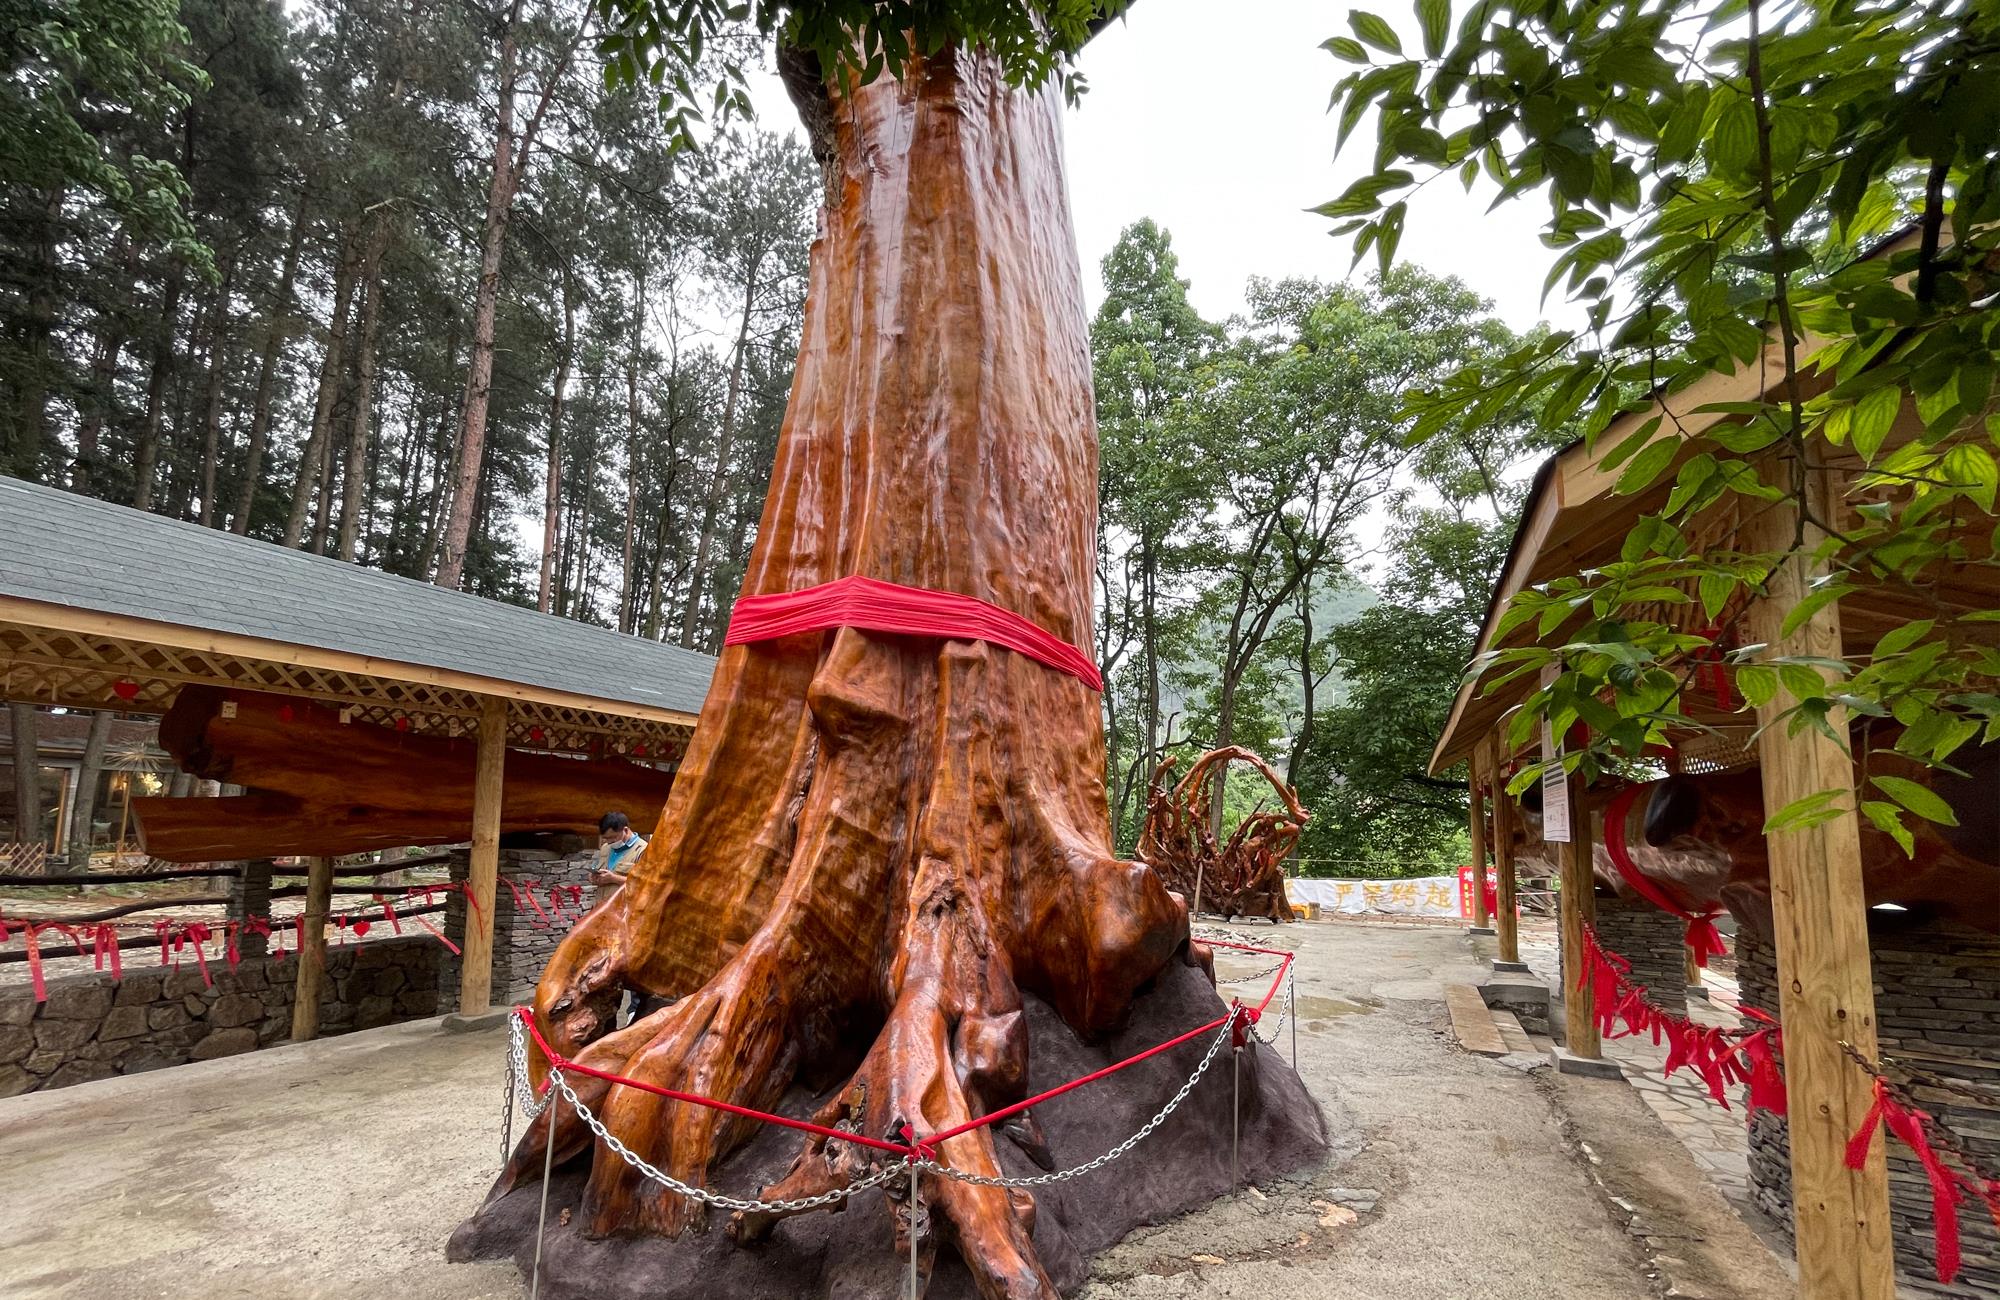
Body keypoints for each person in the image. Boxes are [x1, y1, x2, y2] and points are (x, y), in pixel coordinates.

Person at [591, 811, 646, 887]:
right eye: (605, 838)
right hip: (604, 898)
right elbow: (595, 866)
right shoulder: (605, 847)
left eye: (613, 837)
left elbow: (646, 884)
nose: (609, 842)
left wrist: (614, 879)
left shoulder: (643, 850)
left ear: (626, 830)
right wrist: (593, 877)